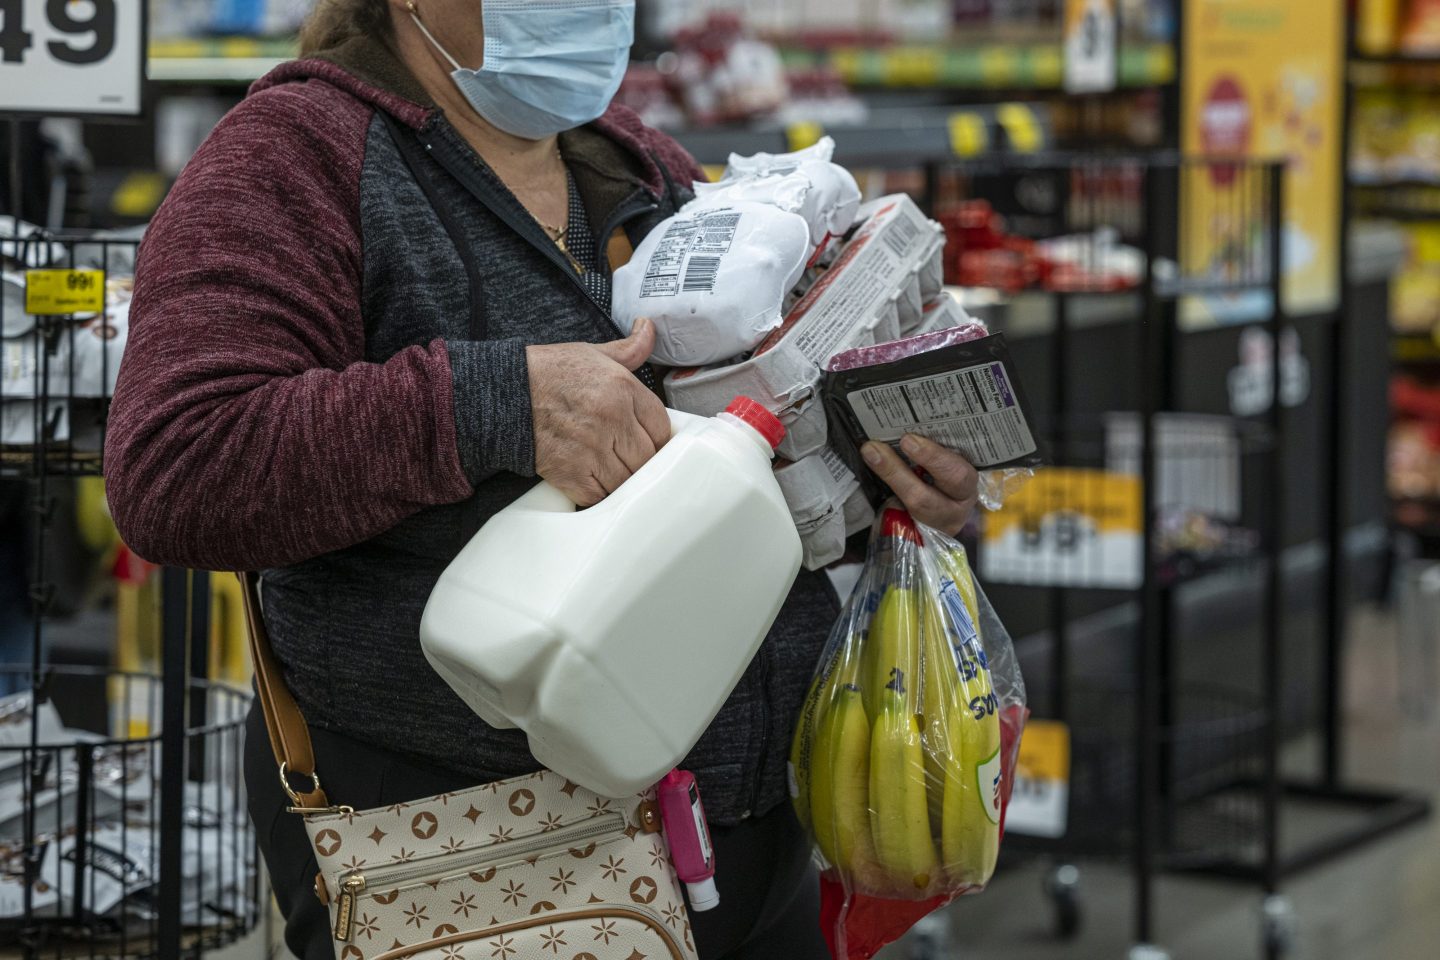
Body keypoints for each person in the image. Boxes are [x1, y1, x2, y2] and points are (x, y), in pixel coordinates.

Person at [103, 2, 979, 957]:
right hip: (478, 854)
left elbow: (725, 454)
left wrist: (883, 478)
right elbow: (176, 461)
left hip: (751, 838)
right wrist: (498, 406)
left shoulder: (632, 160)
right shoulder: (293, 158)